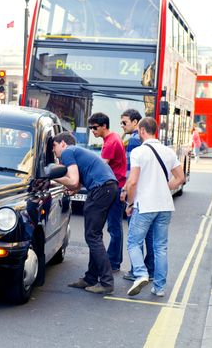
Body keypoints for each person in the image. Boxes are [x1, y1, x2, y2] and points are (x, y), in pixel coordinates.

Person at [124, 117, 185, 297]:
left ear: (142, 131)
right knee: (161, 247)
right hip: (165, 205)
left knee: (133, 242)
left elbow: (133, 181)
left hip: (145, 205)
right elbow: (180, 178)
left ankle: (141, 274)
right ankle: (159, 288)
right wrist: (164, 189)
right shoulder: (168, 151)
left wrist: (129, 202)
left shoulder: (138, 152)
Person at [52, 132, 118, 294]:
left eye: (54, 146)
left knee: (92, 237)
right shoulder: (76, 151)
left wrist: (50, 175)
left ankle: (106, 282)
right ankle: (90, 278)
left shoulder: (68, 152)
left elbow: (73, 181)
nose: (54, 151)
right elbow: (77, 183)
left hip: (101, 190)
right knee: (94, 235)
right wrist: (71, 190)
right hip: (108, 188)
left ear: (62, 144)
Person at [88, 112, 126, 272]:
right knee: (114, 226)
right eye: (90, 128)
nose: (92, 131)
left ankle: (113, 262)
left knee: (114, 227)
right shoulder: (113, 138)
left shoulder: (110, 143)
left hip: (115, 188)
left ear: (104, 126)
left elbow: (100, 168)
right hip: (117, 185)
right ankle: (114, 260)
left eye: (95, 127)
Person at [119, 109, 154, 283]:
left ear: (135, 123)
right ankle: (151, 269)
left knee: (135, 236)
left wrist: (127, 193)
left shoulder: (133, 141)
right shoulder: (143, 141)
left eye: (124, 122)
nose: (122, 126)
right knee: (151, 237)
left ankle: (136, 271)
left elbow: (130, 173)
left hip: (138, 194)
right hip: (150, 195)